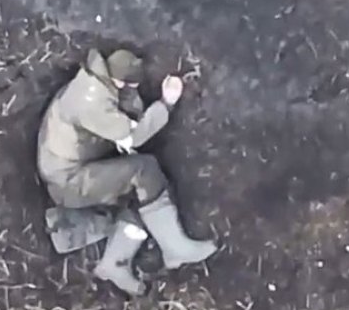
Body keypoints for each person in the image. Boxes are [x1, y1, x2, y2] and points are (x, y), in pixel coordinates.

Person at [37, 48, 217, 295]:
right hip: (68, 181)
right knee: (144, 171)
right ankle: (175, 249)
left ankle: (114, 263)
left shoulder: (90, 84)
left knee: (138, 192)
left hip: (65, 166)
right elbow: (136, 136)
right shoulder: (93, 104)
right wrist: (166, 103)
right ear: (121, 82)